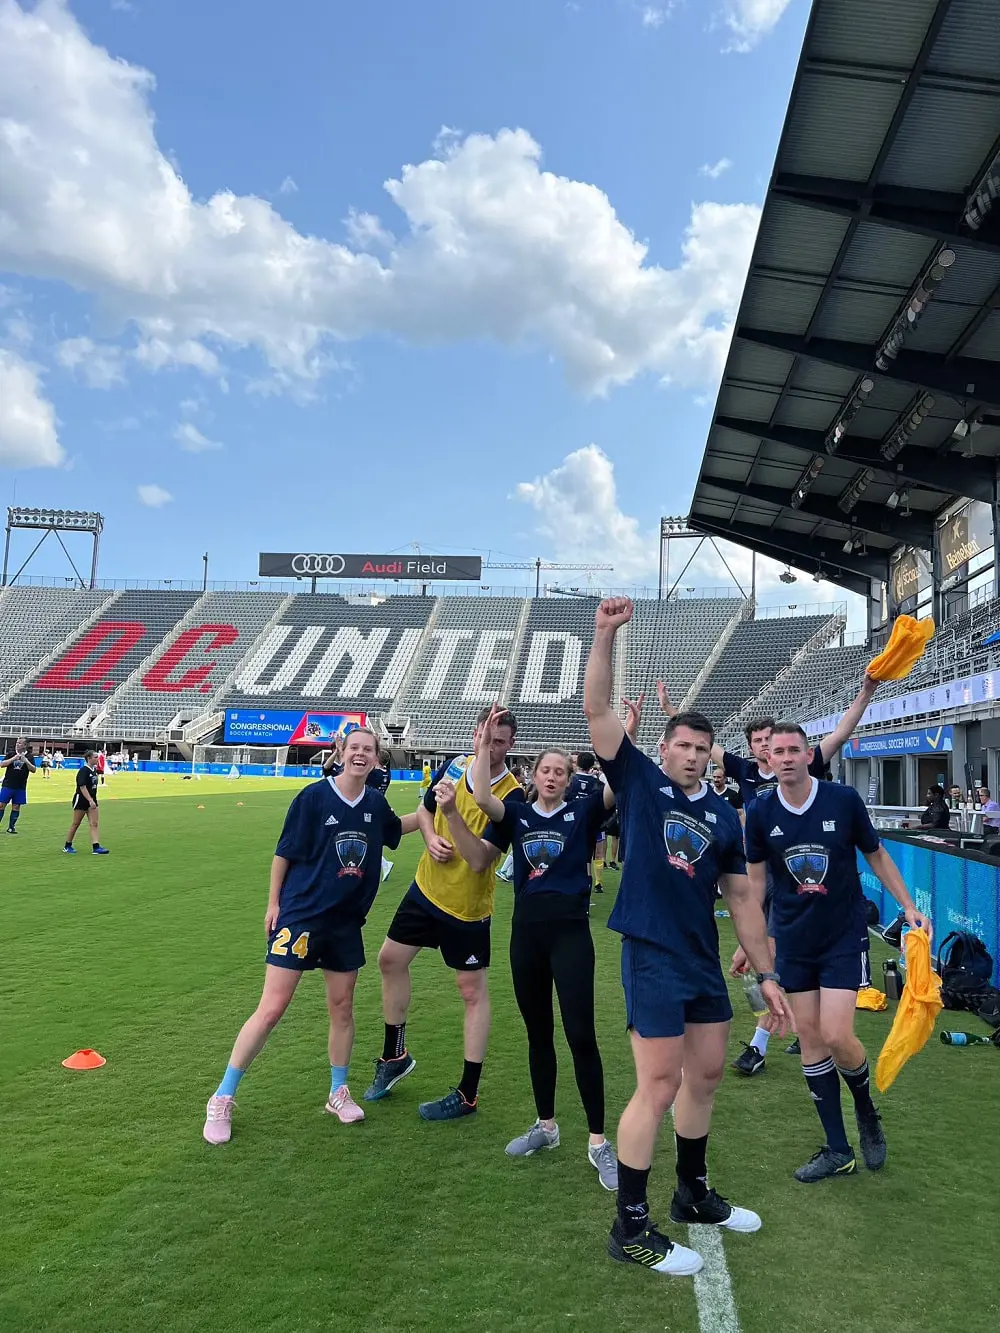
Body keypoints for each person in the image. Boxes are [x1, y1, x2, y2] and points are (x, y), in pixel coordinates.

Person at [584, 598, 791, 1278]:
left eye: (704, 748)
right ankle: (630, 1225)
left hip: (703, 958)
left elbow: (743, 899)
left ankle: (692, 1192)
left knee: (704, 1076)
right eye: (684, 745)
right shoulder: (640, 781)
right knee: (659, 1085)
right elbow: (596, 711)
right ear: (664, 747)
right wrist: (604, 635)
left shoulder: (726, 816)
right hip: (650, 950)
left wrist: (767, 974)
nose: (694, 756)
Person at [203, 726, 419, 1144]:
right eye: (354, 748)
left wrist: (436, 811)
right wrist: (273, 904)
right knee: (272, 1008)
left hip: (344, 924)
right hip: (300, 917)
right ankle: (222, 1096)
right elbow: (284, 854)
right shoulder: (313, 797)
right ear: (341, 752)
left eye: (368, 750)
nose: (360, 755)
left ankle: (339, 1092)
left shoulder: (375, 803)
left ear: (376, 758)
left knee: (342, 1007)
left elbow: (396, 829)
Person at [658, 676, 879, 1077]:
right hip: (760, 869)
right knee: (770, 954)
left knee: (780, 954)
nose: (764, 746)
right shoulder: (743, 769)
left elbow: (842, 731)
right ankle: (781, 1028)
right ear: (753, 746)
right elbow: (704, 745)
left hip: (803, 872)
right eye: (759, 740)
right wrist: (673, 714)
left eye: (769, 739)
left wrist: (864, 692)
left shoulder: (803, 765)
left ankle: (774, 1036)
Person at [442, 705, 618, 1188]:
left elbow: (614, 786)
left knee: (581, 1035)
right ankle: (546, 1127)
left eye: (561, 771)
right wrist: (482, 743)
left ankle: (599, 1142)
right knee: (538, 1034)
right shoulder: (517, 812)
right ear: (534, 775)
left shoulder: (582, 815)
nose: (553, 777)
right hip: (527, 936)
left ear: (567, 779)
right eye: (545, 770)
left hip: (570, 935)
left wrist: (626, 733)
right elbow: (481, 795)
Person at [744, 722, 928, 1181]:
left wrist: (908, 906)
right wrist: (755, 943)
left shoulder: (842, 800)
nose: (784, 757)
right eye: (776, 752)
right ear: (767, 760)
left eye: (793, 750)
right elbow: (754, 883)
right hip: (794, 940)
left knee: (836, 1034)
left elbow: (877, 854)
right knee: (808, 1038)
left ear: (809, 756)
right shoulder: (760, 810)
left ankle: (866, 1112)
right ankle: (837, 1149)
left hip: (843, 936)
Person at [364, 706, 524, 1120]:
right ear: (475, 734)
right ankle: (394, 1056)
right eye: (485, 737)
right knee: (389, 960)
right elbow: (424, 810)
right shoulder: (455, 765)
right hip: (425, 890)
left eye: (499, 742)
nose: (489, 747)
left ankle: (468, 1093)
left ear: (510, 746)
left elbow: (478, 860)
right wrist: (432, 837)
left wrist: (451, 815)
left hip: (466, 909)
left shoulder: (512, 796)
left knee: (472, 993)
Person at [568, 751, 605, 893]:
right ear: (592, 765)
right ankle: (597, 883)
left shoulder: (570, 781)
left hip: (574, 825)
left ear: (577, 763)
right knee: (598, 853)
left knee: (577, 855)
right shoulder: (598, 783)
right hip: (594, 825)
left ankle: (574, 883)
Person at [64, 751, 110, 854]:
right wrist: (90, 800)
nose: (97, 759)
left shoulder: (94, 770)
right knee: (76, 823)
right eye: (95, 757)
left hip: (92, 800)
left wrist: (93, 800)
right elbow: (82, 787)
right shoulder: (83, 771)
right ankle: (67, 845)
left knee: (94, 823)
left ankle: (96, 847)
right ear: (89, 758)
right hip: (82, 800)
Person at [0, 739, 36, 833]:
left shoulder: (29, 756)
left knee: (16, 807)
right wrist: (14, 758)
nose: (17, 744)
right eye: (17, 743)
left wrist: (26, 761)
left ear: (25, 745)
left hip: (20, 786)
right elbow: (2, 764)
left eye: (19, 743)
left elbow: (33, 770)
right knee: (1, 805)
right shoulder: (11, 754)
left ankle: (11, 827)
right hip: (8, 784)